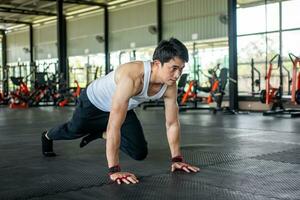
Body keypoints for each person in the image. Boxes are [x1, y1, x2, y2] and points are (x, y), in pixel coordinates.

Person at [42, 38, 200, 185]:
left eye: (181, 69)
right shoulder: (132, 77)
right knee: (73, 130)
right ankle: (47, 135)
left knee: (139, 152)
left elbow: (172, 123)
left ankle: (101, 134)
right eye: (173, 68)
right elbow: (114, 126)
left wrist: (176, 159)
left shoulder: (169, 85)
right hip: (93, 102)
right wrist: (114, 171)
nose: (178, 75)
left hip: (124, 106)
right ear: (157, 64)